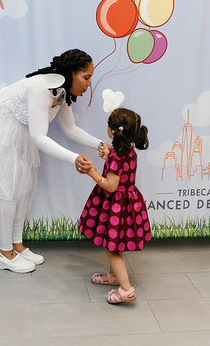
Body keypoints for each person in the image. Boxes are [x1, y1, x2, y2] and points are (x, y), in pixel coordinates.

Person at [0, 49, 103, 273]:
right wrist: (74, 158)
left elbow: (70, 128)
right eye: (86, 76)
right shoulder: (41, 89)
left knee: (22, 189)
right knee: (9, 191)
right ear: (71, 72)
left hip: (20, 136)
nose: (89, 83)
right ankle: (3, 253)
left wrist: (100, 145)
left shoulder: (61, 92)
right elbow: (39, 137)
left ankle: (17, 245)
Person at [78, 107, 151, 304]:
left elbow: (111, 186)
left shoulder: (115, 158)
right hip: (128, 204)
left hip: (115, 206)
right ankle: (113, 277)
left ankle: (126, 289)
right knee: (115, 243)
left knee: (111, 248)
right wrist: (110, 150)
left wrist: (92, 172)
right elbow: (120, 156)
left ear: (112, 130)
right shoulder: (129, 152)